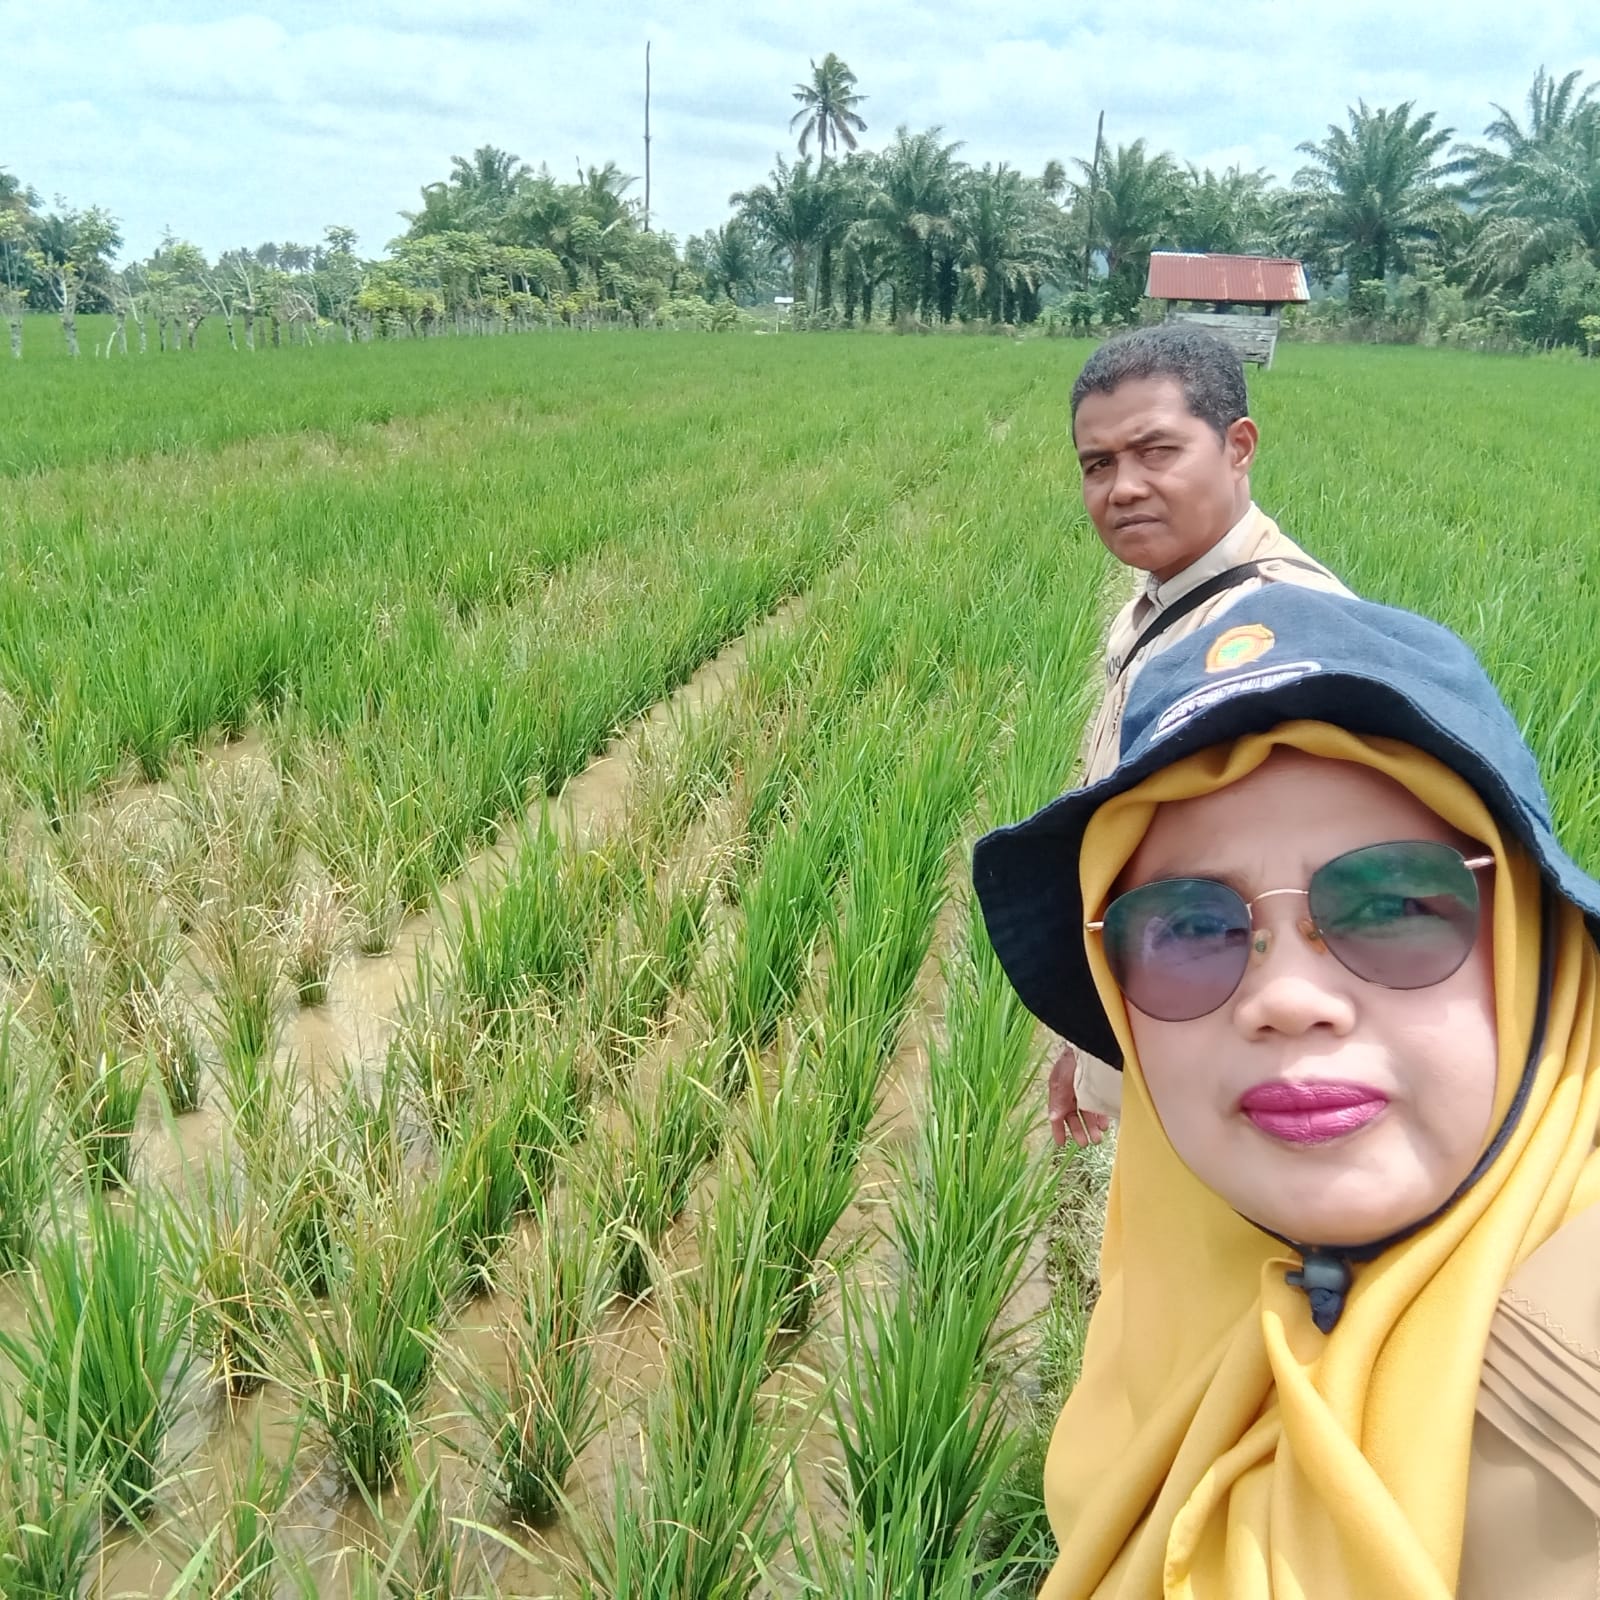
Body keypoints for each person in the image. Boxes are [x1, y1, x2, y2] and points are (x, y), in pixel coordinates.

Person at [974, 585, 1600, 1598]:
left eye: (1394, 900)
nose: (1286, 997)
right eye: (1187, 924)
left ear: (1533, 947)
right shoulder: (1173, 1292)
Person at [1053, 325, 1351, 1149]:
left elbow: (1291, 916)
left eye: (1157, 451)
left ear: (1238, 447)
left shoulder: (1284, 633)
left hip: (1237, 1092)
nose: (1122, 488)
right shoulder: (1159, 601)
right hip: (1160, 1046)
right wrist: (1087, 1046)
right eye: (1098, 464)